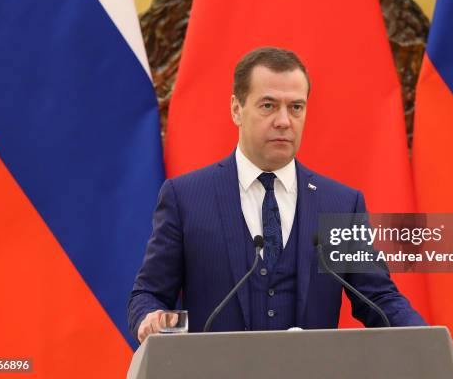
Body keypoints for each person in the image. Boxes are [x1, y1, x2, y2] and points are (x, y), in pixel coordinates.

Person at [128, 47, 425, 343]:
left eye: (296, 107)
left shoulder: (339, 206)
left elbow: (379, 298)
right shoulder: (186, 198)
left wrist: (427, 340)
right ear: (236, 109)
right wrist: (150, 317)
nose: (284, 121)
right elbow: (149, 293)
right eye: (268, 105)